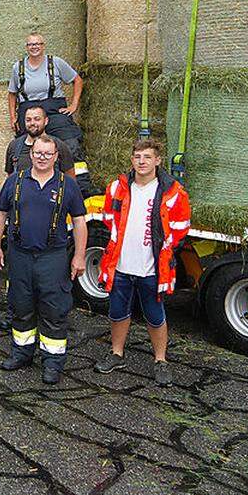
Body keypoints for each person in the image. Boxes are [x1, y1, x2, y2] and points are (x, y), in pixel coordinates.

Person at [0, 135, 87, 385]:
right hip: (19, 255)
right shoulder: (15, 181)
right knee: (21, 306)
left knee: (53, 309)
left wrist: (78, 256)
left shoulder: (68, 185)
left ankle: (52, 362)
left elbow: (79, 222)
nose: (42, 158)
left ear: (56, 157)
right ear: (30, 155)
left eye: (47, 154)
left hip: (52, 257)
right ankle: (22, 353)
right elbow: (0, 213)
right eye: (37, 153)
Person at [95, 138, 191, 387]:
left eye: (147, 157)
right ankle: (117, 354)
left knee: (154, 314)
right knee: (117, 312)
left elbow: (180, 229)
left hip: (152, 268)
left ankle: (161, 360)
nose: (142, 162)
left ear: (158, 160)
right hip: (121, 265)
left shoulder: (173, 192)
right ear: (132, 160)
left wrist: (162, 252)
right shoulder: (118, 186)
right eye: (137, 157)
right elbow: (108, 218)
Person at [7, 33, 93, 194]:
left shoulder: (56, 63)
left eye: (38, 44)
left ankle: (82, 188)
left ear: (43, 45)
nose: (35, 47)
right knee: (25, 149)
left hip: (54, 110)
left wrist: (74, 105)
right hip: (28, 110)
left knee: (72, 145)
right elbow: (12, 94)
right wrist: (13, 117)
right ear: (26, 47)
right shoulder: (18, 67)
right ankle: (22, 186)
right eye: (31, 44)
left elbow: (77, 80)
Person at [5, 106, 74, 175]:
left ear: (46, 121)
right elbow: (10, 178)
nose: (32, 123)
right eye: (28, 120)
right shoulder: (14, 146)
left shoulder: (58, 145)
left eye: (37, 119)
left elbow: (70, 178)